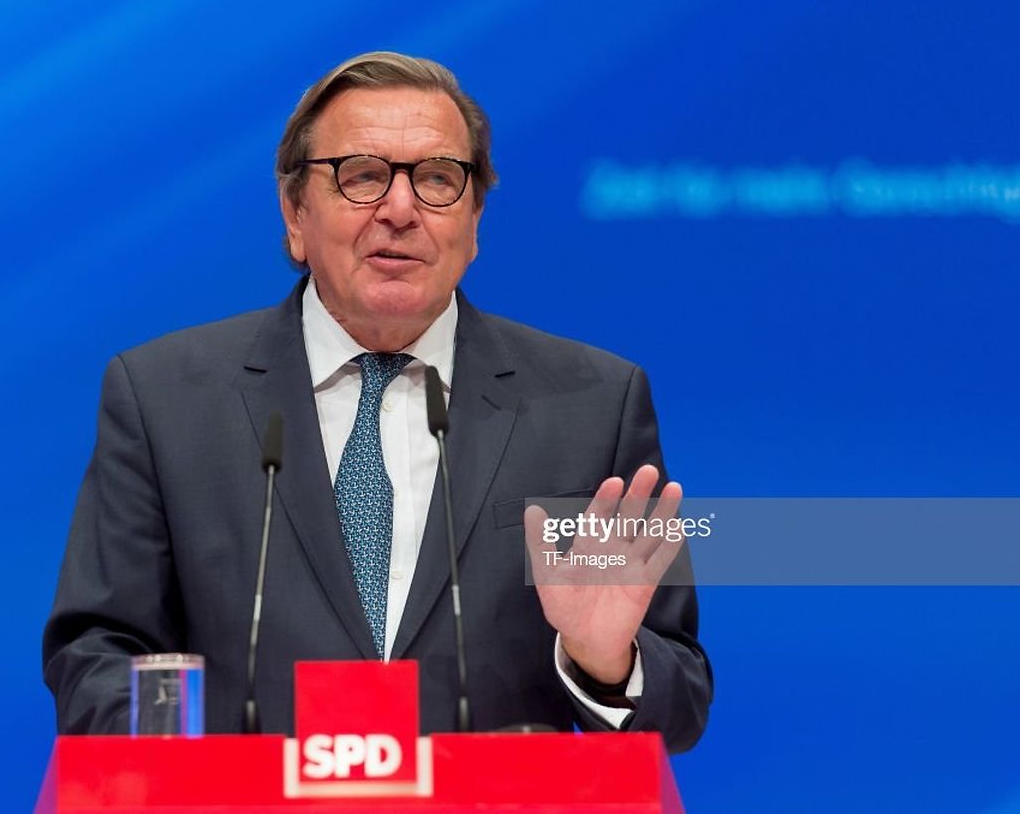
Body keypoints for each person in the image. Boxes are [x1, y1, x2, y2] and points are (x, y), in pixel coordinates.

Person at [43, 51, 711, 752]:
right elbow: (95, 655)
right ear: (295, 212)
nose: (400, 209)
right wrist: (203, 772)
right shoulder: (164, 399)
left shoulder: (589, 407)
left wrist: (604, 662)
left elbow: (681, 703)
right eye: (361, 176)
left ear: (475, 219)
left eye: (438, 180)